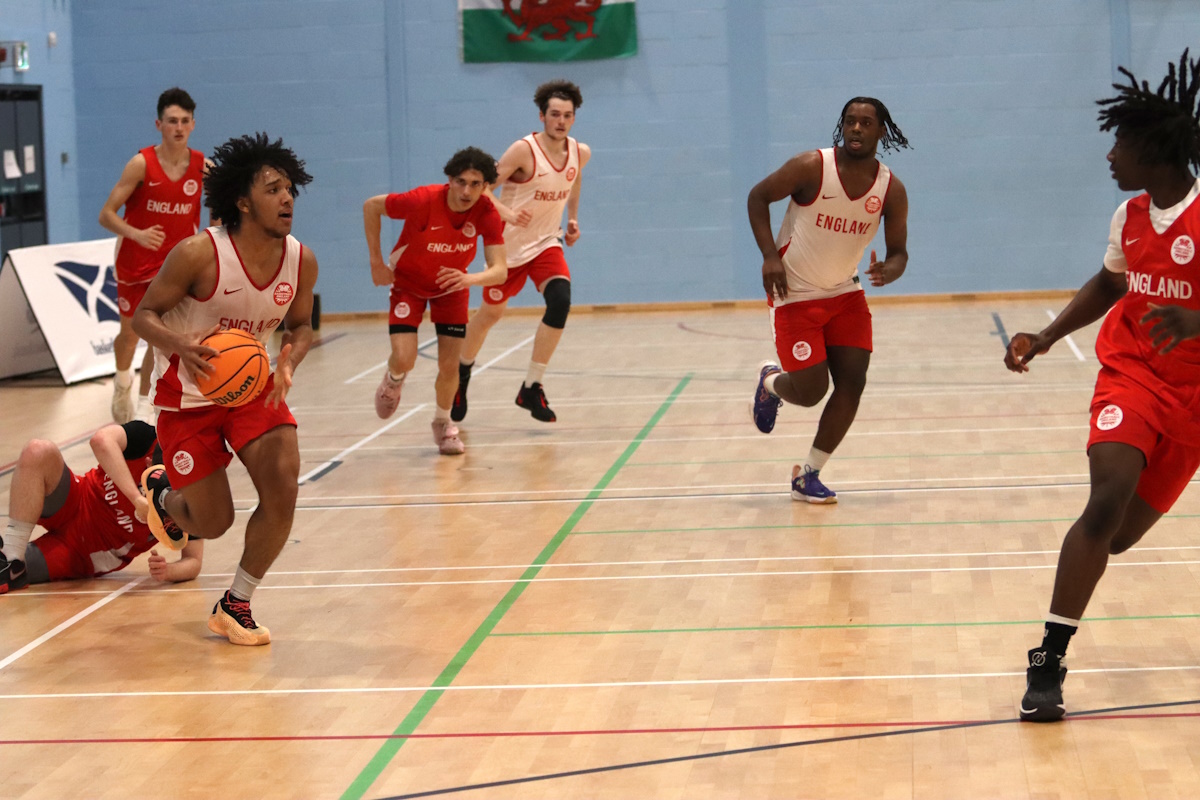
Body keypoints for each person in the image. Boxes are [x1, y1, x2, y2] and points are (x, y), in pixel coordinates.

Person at [1007, 50, 1200, 722]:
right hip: (1132, 374)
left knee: (1117, 537)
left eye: (1121, 144)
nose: (1110, 155)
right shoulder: (1129, 216)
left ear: (1156, 151)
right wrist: (1046, 335)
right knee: (1105, 499)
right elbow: (1111, 283)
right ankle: (1049, 661)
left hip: (1194, 402)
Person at [132, 133, 317, 646]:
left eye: (290, 190)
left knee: (283, 484)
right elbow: (143, 315)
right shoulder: (198, 253)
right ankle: (163, 494)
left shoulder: (300, 260)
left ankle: (236, 603)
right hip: (187, 399)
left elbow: (301, 325)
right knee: (213, 523)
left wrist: (290, 357)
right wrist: (181, 345)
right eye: (273, 190)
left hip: (253, 388)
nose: (287, 199)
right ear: (243, 201)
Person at [747, 96, 911, 503]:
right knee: (810, 392)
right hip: (793, 295)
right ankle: (770, 382)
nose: (856, 128)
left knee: (853, 383)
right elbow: (757, 197)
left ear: (881, 131)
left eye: (866, 123)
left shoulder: (890, 189)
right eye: (850, 121)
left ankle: (809, 474)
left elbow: (899, 253)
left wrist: (890, 269)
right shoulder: (811, 167)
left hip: (844, 294)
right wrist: (769, 256)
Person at [452, 80, 591, 424]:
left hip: (546, 243)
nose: (561, 121)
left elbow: (574, 181)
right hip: (508, 248)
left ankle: (531, 386)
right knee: (489, 316)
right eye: (554, 114)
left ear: (574, 118)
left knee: (560, 300)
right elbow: (482, 188)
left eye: (567, 115)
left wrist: (573, 219)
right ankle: (460, 376)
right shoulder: (523, 150)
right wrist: (507, 213)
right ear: (542, 116)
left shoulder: (580, 152)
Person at [365, 147, 508, 455]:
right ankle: (393, 380)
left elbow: (500, 270)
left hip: (452, 289)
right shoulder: (422, 200)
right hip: (408, 285)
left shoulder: (486, 213)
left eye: (475, 184)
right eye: (461, 182)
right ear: (450, 180)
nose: (467, 191)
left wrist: (470, 279)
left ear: (485, 186)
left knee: (449, 365)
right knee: (405, 358)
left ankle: (443, 424)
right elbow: (372, 206)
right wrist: (376, 261)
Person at [99, 87, 208, 424]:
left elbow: (220, 211)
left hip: (174, 266)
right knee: (131, 335)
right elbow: (106, 215)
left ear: (193, 125)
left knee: (158, 336)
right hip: (135, 261)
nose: (179, 127)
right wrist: (137, 234)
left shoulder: (203, 167)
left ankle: (146, 404)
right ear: (159, 124)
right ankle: (122, 382)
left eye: (185, 121)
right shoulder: (141, 164)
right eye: (172, 121)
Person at [0, 421, 203, 593]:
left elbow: (194, 561)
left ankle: (14, 569)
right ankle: (12, 556)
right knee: (37, 450)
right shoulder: (146, 437)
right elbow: (100, 440)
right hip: (77, 498)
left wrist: (168, 571)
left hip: (85, 553)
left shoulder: (192, 492)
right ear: (149, 463)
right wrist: (136, 498)